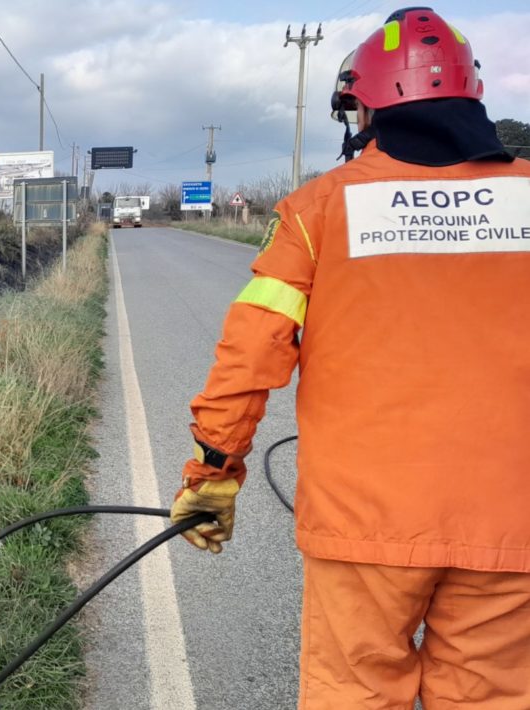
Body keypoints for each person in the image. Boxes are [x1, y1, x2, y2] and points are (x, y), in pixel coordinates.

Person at [168, 7, 530, 708]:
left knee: (354, 693)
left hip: (364, 525)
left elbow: (251, 356)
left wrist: (213, 470)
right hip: (513, 522)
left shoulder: (317, 211)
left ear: (364, 107)